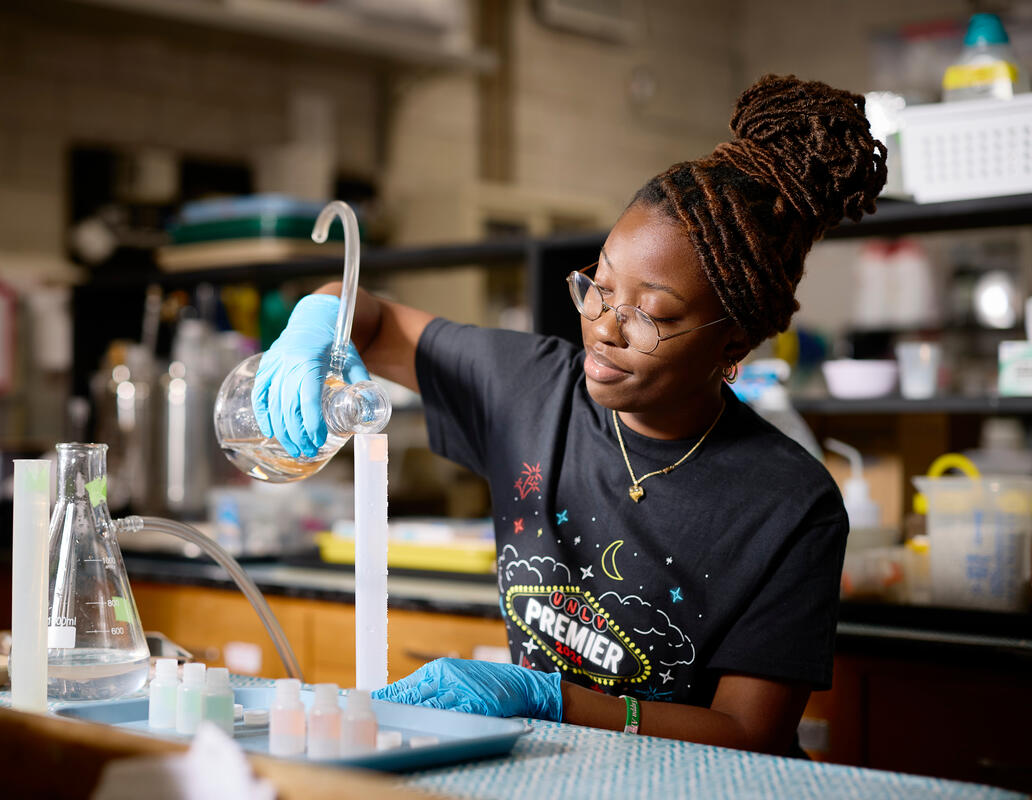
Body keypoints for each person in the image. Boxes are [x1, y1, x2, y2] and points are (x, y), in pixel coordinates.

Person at [251, 74, 887, 755]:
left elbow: (749, 732)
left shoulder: (788, 503)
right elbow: (369, 321)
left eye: (651, 314)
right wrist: (317, 323)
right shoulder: (529, 390)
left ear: (734, 341)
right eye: (600, 287)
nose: (605, 328)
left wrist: (551, 699)